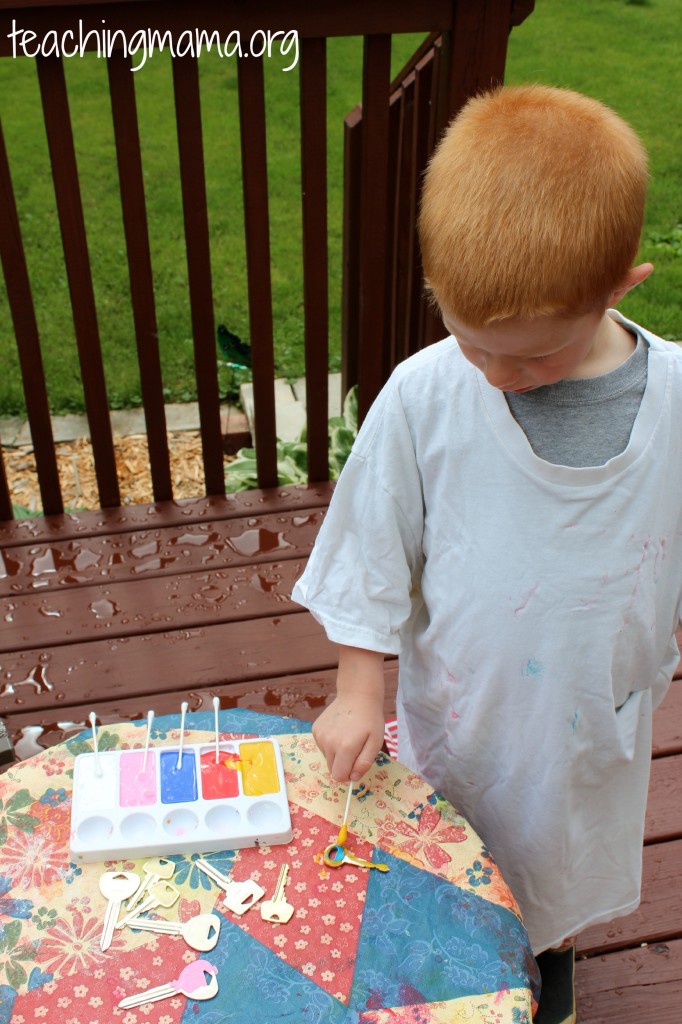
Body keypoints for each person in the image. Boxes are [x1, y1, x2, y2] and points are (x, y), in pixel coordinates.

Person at [292, 85, 682, 1024]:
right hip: (462, 714)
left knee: (553, 863)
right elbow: (372, 551)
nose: (499, 377)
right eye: (473, 344)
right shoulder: (426, 396)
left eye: (531, 360)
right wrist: (358, 690)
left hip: (593, 724)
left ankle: (545, 962)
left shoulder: (675, 399)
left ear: (622, 286)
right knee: (447, 857)